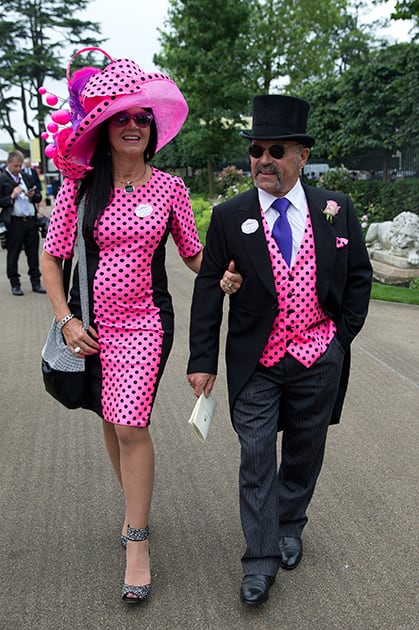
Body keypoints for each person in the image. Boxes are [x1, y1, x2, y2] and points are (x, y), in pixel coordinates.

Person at [40, 49, 241, 605]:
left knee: (130, 426)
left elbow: (196, 256)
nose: (133, 124)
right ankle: (136, 504)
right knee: (111, 419)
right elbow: (51, 259)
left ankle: (136, 538)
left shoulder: (171, 189)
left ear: (153, 128)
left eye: (142, 117)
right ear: (104, 127)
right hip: (89, 328)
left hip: (146, 324)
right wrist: (66, 319)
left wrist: (225, 275)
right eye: (122, 116)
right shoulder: (80, 189)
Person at [187, 95, 372, 606]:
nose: (262, 160)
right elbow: (208, 288)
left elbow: (359, 277)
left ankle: (290, 523)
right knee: (255, 455)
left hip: (319, 356)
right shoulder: (230, 216)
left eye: (275, 150)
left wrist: (340, 339)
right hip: (258, 362)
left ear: (301, 156)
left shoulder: (335, 211)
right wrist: (201, 360)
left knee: (305, 451)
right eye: (255, 150)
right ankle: (260, 559)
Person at [0, 150, 46, 295]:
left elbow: (39, 196)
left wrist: (33, 195)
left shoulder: (26, 176)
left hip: (30, 221)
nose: (18, 169)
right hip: (14, 222)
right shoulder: (2, 179)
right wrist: (12, 196)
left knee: (33, 254)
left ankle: (36, 282)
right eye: (16, 166)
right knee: (13, 254)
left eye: (20, 166)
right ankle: (15, 284)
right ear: (9, 164)